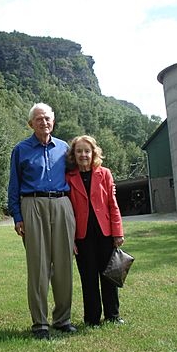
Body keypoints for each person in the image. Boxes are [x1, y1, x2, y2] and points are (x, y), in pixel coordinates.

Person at [8, 103, 77, 340]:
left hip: (61, 204)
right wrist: (17, 216)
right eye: (38, 119)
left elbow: (77, 178)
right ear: (31, 124)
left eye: (47, 118)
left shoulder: (65, 148)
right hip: (32, 204)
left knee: (64, 264)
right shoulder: (21, 149)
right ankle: (40, 323)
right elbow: (13, 186)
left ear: (53, 121)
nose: (43, 122)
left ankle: (62, 319)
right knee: (38, 266)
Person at [66, 135, 125, 327]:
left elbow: (112, 205)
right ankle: (91, 319)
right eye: (79, 151)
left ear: (93, 153)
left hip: (105, 234)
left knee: (109, 276)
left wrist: (118, 232)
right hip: (82, 236)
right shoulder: (69, 177)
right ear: (74, 155)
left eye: (87, 151)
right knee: (88, 278)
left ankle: (113, 316)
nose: (83, 154)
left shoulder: (105, 173)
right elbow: (68, 212)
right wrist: (71, 239)